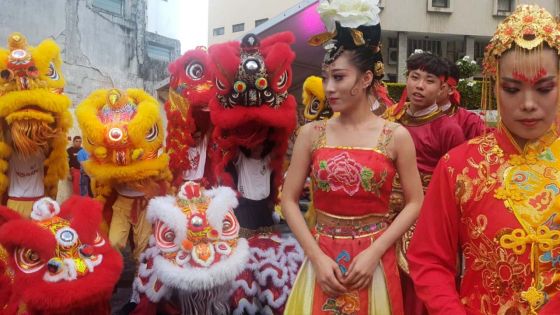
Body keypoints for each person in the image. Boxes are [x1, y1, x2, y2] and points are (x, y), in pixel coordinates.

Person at [407, 5, 560, 314]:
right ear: (494, 86)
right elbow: (430, 260)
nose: (528, 104)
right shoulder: (458, 166)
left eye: (544, 88)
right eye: (512, 89)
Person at [283, 1, 424, 313]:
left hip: (372, 259)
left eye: (339, 77)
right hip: (322, 259)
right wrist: (316, 257)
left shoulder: (395, 135)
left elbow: (415, 201)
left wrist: (377, 251)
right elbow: (288, 200)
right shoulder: (311, 133)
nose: (329, 88)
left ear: (364, 80)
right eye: (326, 77)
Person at [0, 33, 71, 217]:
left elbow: (57, 134)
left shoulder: (44, 148)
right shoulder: (10, 148)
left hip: (38, 202)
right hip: (14, 202)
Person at [438, 58, 488, 139]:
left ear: (451, 90)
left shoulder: (470, 121)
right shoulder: (411, 115)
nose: (422, 85)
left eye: (431, 81)